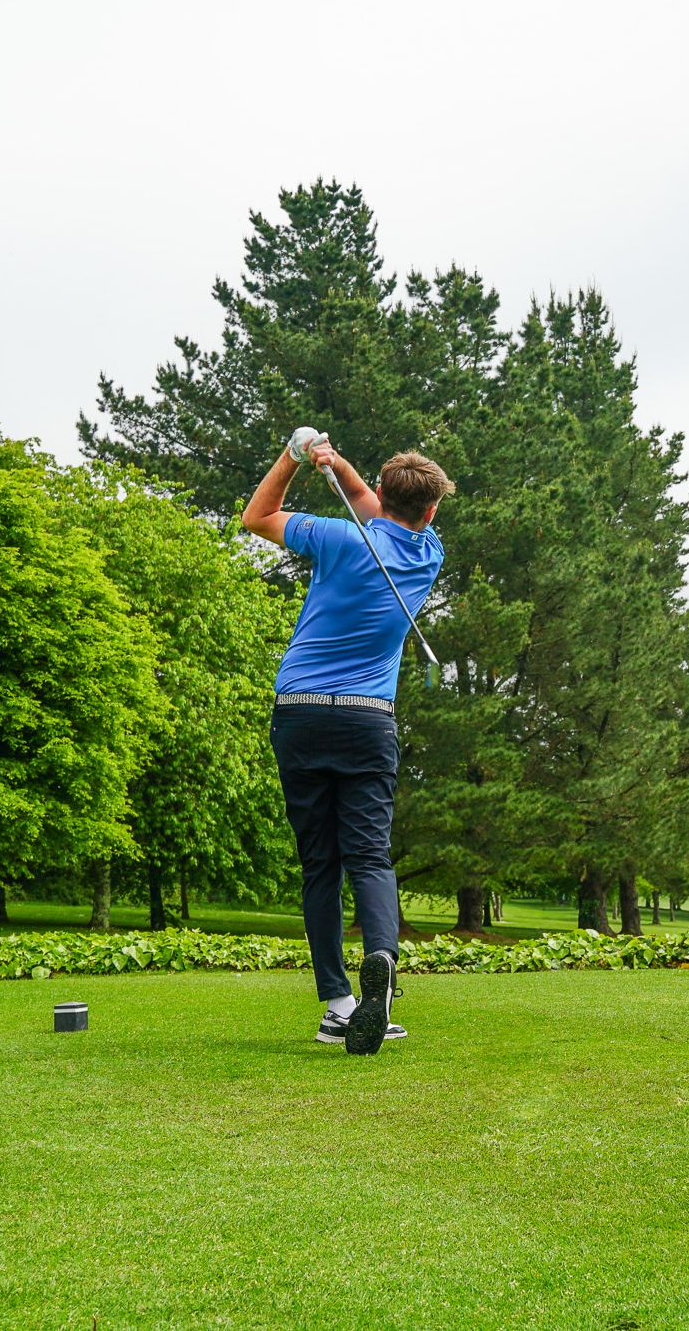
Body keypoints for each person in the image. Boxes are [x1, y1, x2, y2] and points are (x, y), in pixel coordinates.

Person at [241, 428, 453, 1055]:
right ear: (431, 510)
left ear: (385, 492)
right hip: (368, 720)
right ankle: (382, 962)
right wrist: (335, 464)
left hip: (301, 712)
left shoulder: (335, 538)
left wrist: (294, 457)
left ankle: (338, 1002)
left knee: (320, 864)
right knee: (369, 855)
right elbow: (372, 502)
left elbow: (258, 516)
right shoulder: (428, 552)